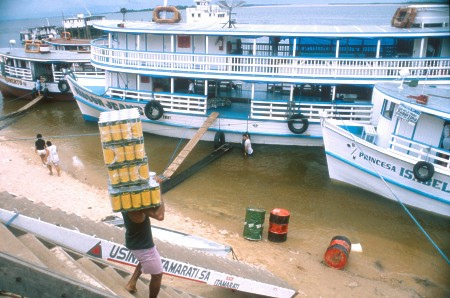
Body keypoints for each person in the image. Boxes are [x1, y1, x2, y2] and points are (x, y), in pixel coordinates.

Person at [123, 201, 165, 298]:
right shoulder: (136, 206)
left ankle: (131, 284)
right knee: (157, 275)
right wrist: (160, 193)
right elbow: (160, 216)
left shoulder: (126, 200)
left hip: (135, 240)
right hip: (142, 246)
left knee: (147, 258)